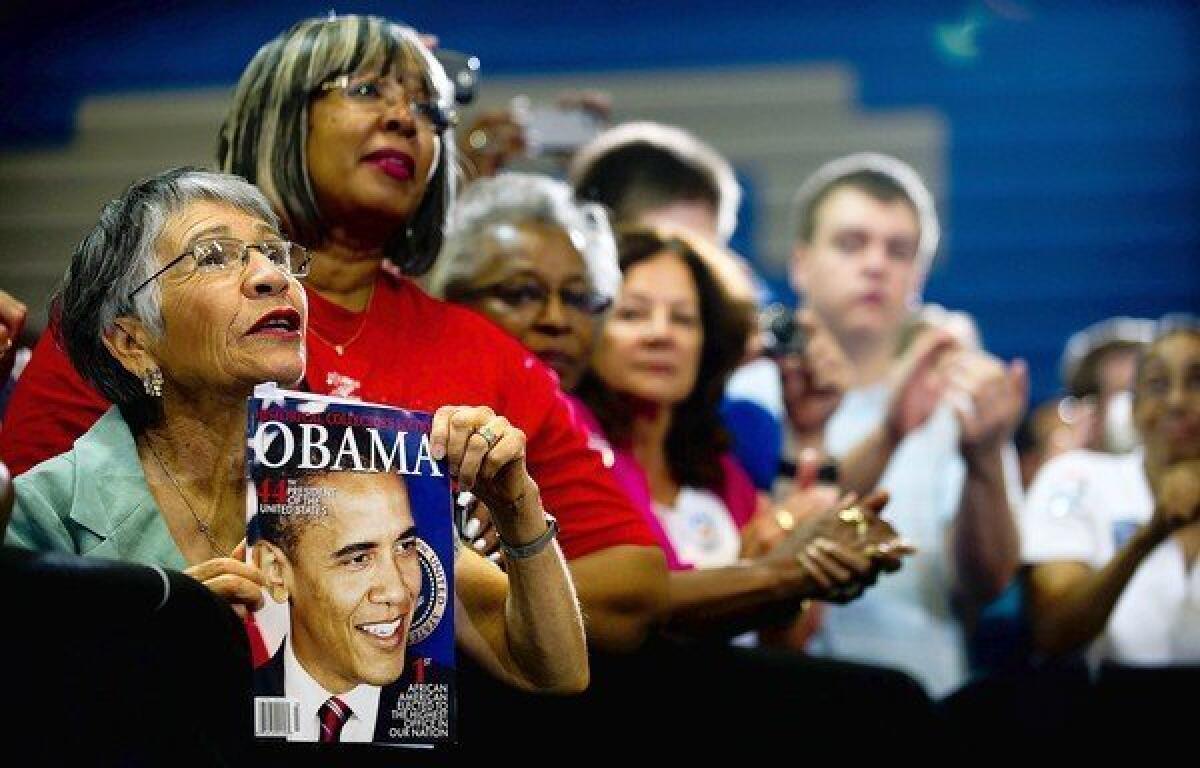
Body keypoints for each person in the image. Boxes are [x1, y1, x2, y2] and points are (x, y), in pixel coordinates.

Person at [0, 13, 667, 654]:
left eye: (430, 110)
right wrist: (160, 620)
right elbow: (29, 568)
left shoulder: (487, 355)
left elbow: (615, 599)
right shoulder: (138, 313)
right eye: (367, 89)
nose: (406, 118)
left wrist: (485, 551)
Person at [6, 169, 588, 707]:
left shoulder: (367, 463)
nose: (271, 275)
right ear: (131, 341)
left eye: (276, 253)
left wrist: (518, 505)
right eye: (213, 257)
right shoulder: (41, 513)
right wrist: (168, 630)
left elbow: (552, 671)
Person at [788, 152, 1026, 696]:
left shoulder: (959, 406)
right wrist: (891, 433)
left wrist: (986, 459)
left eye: (899, 251)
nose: (876, 264)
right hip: (777, 704)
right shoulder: (745, 392)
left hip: (920, 701)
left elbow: (987, 584)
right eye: (852, 243)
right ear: (801, 263)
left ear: (917, 276)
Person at [569, 121, 784, 492]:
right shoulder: (552, 432)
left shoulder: (732, 433)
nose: (683, 273)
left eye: (704, 258)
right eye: (655, 247)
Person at [1023, 319, 1200, 665]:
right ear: (1132, 409)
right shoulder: (1073, 478)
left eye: (1197, 381)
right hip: (1111, 707)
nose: (1178, 401)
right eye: (1157, 384)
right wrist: (1149, 536)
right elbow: (1053, 632)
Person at [252, 469, 452, 743]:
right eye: (358, 559)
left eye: (405, 546)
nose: (398, 593)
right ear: (276, 571)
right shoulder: (225, 707)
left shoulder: (448, 699)